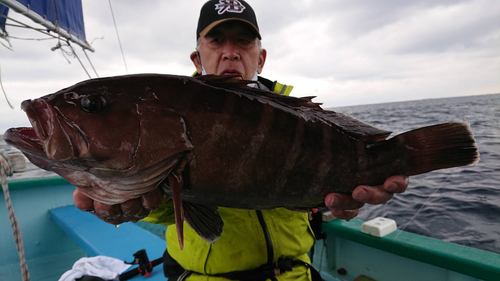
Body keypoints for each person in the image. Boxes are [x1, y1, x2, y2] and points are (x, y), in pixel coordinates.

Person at [73, 1, 409, 280]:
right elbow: (169, 207)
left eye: (244, 42)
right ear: (197, 58)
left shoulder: (304, 125)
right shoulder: (165, 113)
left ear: (260, 58)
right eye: (217, 41)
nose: (231, 53)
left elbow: (313, 199)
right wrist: (132, 203)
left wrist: (343, 201)